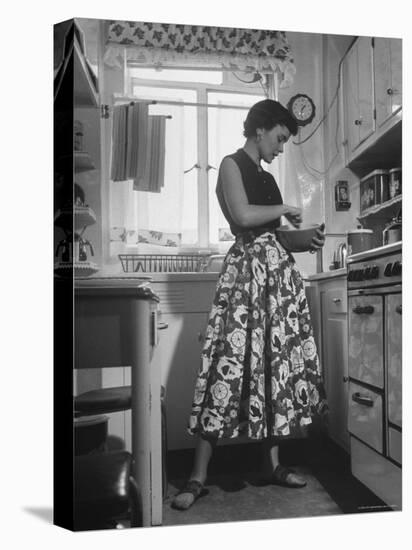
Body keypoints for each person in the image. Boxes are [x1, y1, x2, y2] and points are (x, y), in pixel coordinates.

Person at [172, 99, 327, 511]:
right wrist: (285, 211)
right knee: (228, 364)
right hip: (245, 277)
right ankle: (197, 476)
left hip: (277, 278)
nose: (280, 148)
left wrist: (306, 236)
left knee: (274, 367)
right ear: (261, 129)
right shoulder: (230, 164)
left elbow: (282, 234)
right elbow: (242, 214)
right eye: (279, 138)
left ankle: (272, 465)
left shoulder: (270, 181)